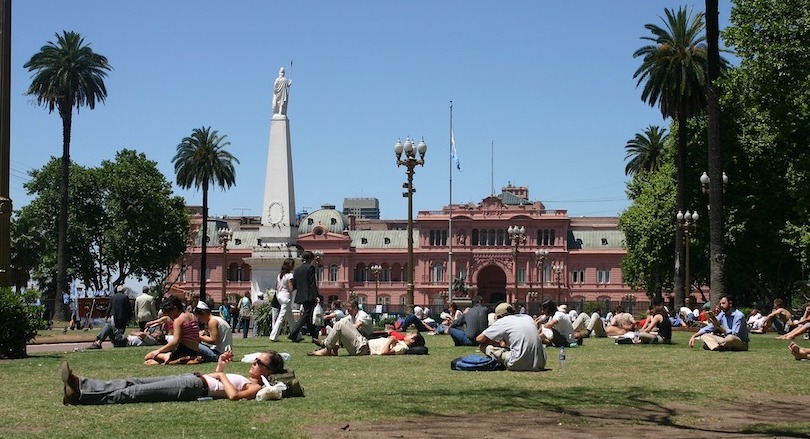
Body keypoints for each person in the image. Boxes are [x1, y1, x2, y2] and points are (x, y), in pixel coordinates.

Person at [60, 350, 286, 405]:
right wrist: (222, 366)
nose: (254, 364)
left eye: (259, 363)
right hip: (193, 377)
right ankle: (81, 385)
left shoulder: (257, 388)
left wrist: (220, 374)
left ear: (269, 371)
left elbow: (234, 396)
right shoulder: (252, 378)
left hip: (194, 387)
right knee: (133, 382)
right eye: (256, 360)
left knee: (135, 393)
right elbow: (222, 380)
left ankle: (81, 395)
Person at [476, 303, 546, 372]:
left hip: (517, 363)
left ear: (500, 316)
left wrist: (492, 341)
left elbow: (479, 339)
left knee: (483, 346)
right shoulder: (528, 317)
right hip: (540, 363)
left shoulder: (503, 321)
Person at [307, 318, 425, 356]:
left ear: (412, 340)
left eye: (411, 334)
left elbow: (384, 353)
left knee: (339, 325)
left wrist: (390, 340)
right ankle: (331, 347)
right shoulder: (401, 343)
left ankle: (326, 346)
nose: (408, 334)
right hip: (364, 343)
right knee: (344, 322)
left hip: (362, 348)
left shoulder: (403, 347)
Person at [144, 295, 204, 365]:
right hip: (195, 350)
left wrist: (158, 351)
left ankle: (168, 358)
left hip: (184, 350)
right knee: (151, 360)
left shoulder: (178, 320)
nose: (169, 315)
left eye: (169, 312)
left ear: (175, 308)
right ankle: (183, 360)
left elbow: (175, 341)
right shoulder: (193, 316)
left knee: (148, 357)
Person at [289, 251, 319, 343]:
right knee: (306, 315)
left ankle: (314, 336)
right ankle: (293, 333)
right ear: (310, 259)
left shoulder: (297, 269)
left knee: (308, 317)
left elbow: (295, 284)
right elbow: (312, 283)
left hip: (300, 294)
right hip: (309, 295)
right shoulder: (310, 268)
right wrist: (316, 295)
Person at [269, 258, 296, 342]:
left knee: (290, 317)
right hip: (286, 297)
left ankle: (296, 334)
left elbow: (277, 287)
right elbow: (291, 288)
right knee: (281, 317)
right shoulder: (289, 275)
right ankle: (273, 336)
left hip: (279, 296)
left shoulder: (280, 275)